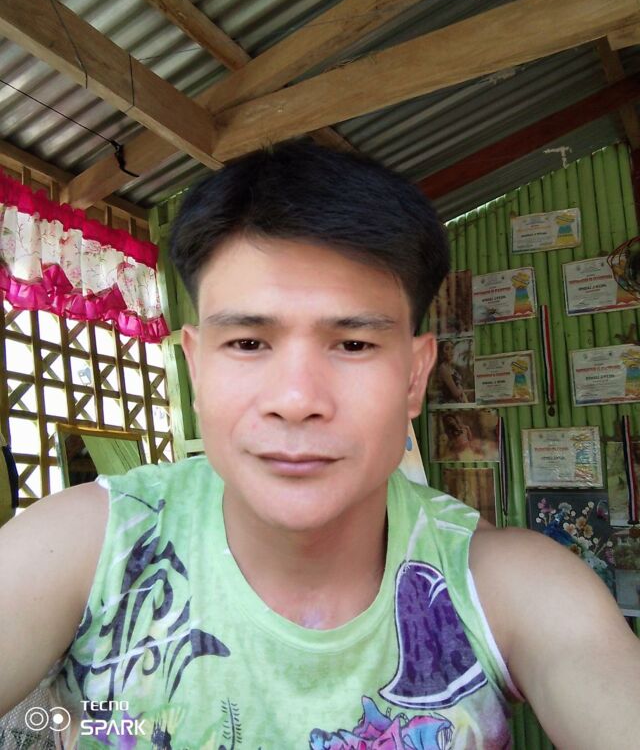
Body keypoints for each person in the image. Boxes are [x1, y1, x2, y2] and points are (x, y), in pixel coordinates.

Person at [1, 143, 639, 749]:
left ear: (415, 376)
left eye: (354, 344)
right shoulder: (89, 545)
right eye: (248, 343)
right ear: (196, 370)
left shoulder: (505, 589)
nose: (296, 398)